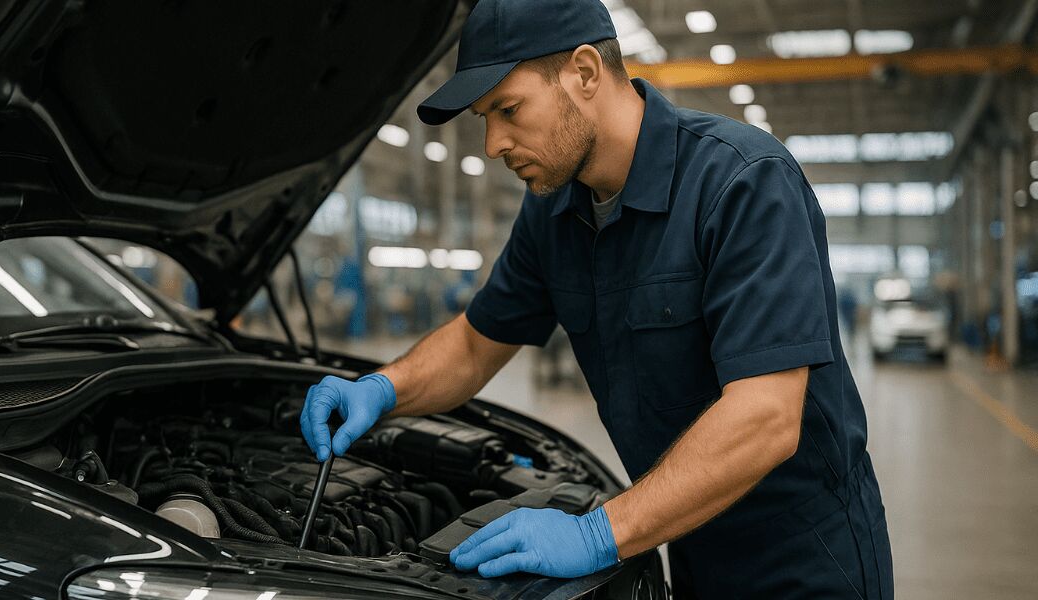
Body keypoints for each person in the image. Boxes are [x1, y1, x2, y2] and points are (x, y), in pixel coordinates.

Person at [300, 0, 892, 597]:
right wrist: (380, 390)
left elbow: (766, 416)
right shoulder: (552, 213)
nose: (492, 143)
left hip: (804, 562)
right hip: (683, 536)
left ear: (584, 73)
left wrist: (596, 534)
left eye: (507, 109)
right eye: (485, 118)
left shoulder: (742, 183)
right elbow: (477, 344)